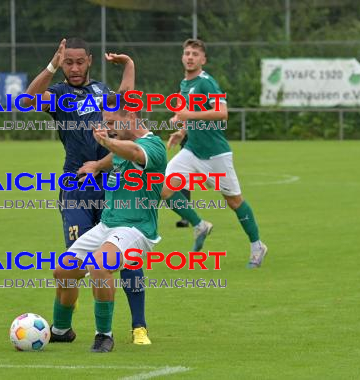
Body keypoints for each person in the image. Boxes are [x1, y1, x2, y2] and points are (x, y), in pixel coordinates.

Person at [23, 38, 152, 344]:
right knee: (75, 264)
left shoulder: (102, 92)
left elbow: (126, 116)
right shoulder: (58, 95)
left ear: (90, 60)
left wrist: (99, 163)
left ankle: (138, 326)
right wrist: (50, 66)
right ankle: (62, 329)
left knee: (126, 257)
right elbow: (27, 101)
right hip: (76, 188)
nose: (75, 67)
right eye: (68, 62)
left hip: (111, 186)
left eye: (80, 62)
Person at [51, 93, 167, 352]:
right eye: (106, 122)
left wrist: (106, 141)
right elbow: (113, 159)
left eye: (113, 122)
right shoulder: (118, 144)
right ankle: (61, 330)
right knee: (64, 271)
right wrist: (96, 164)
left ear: (132, 115)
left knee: (100, 266)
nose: (108, 128)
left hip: (136, 229)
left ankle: (104, 335)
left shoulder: (153, 146)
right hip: (107, 225)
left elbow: (135, 152)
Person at [163, 38, 268, 268]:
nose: (190, 57)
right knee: (161, 186)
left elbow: (222, 113)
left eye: (195, 54)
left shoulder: (206, 83)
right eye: (187, 53)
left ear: (203, 60)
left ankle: (257, 245)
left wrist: (188, 116)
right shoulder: (184, 84)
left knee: (234, 202)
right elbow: (189, 114)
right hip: (192, 151)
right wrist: (181, 132)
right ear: (182, 57)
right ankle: (199, 225)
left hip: (216, 155)